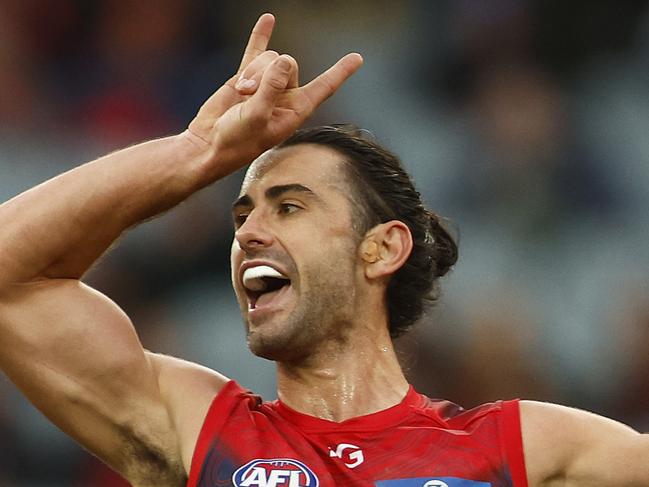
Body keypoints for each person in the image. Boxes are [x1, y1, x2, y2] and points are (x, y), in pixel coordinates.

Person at [0, 12, 647, 487]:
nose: (249, 231)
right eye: (241, 213)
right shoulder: (198, 428)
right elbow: (11, 277)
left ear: (381, 248)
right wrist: (193, 155)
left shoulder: (523, 447)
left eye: (289, 206)